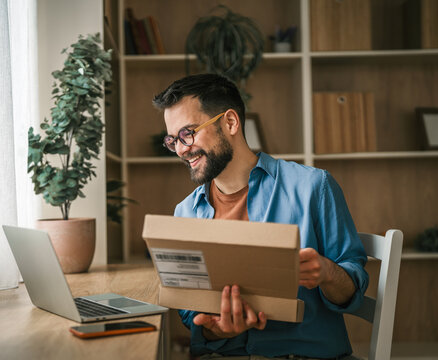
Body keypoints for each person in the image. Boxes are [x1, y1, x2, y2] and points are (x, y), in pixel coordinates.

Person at [152, 74, 369, 360]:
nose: (181, 149)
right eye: (173, 140)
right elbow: (191, 314)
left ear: (230, 122)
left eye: (188, 133)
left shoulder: (313, 187)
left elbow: (352, 291)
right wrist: (218, 330)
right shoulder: (185, 213)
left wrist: (327, 272)